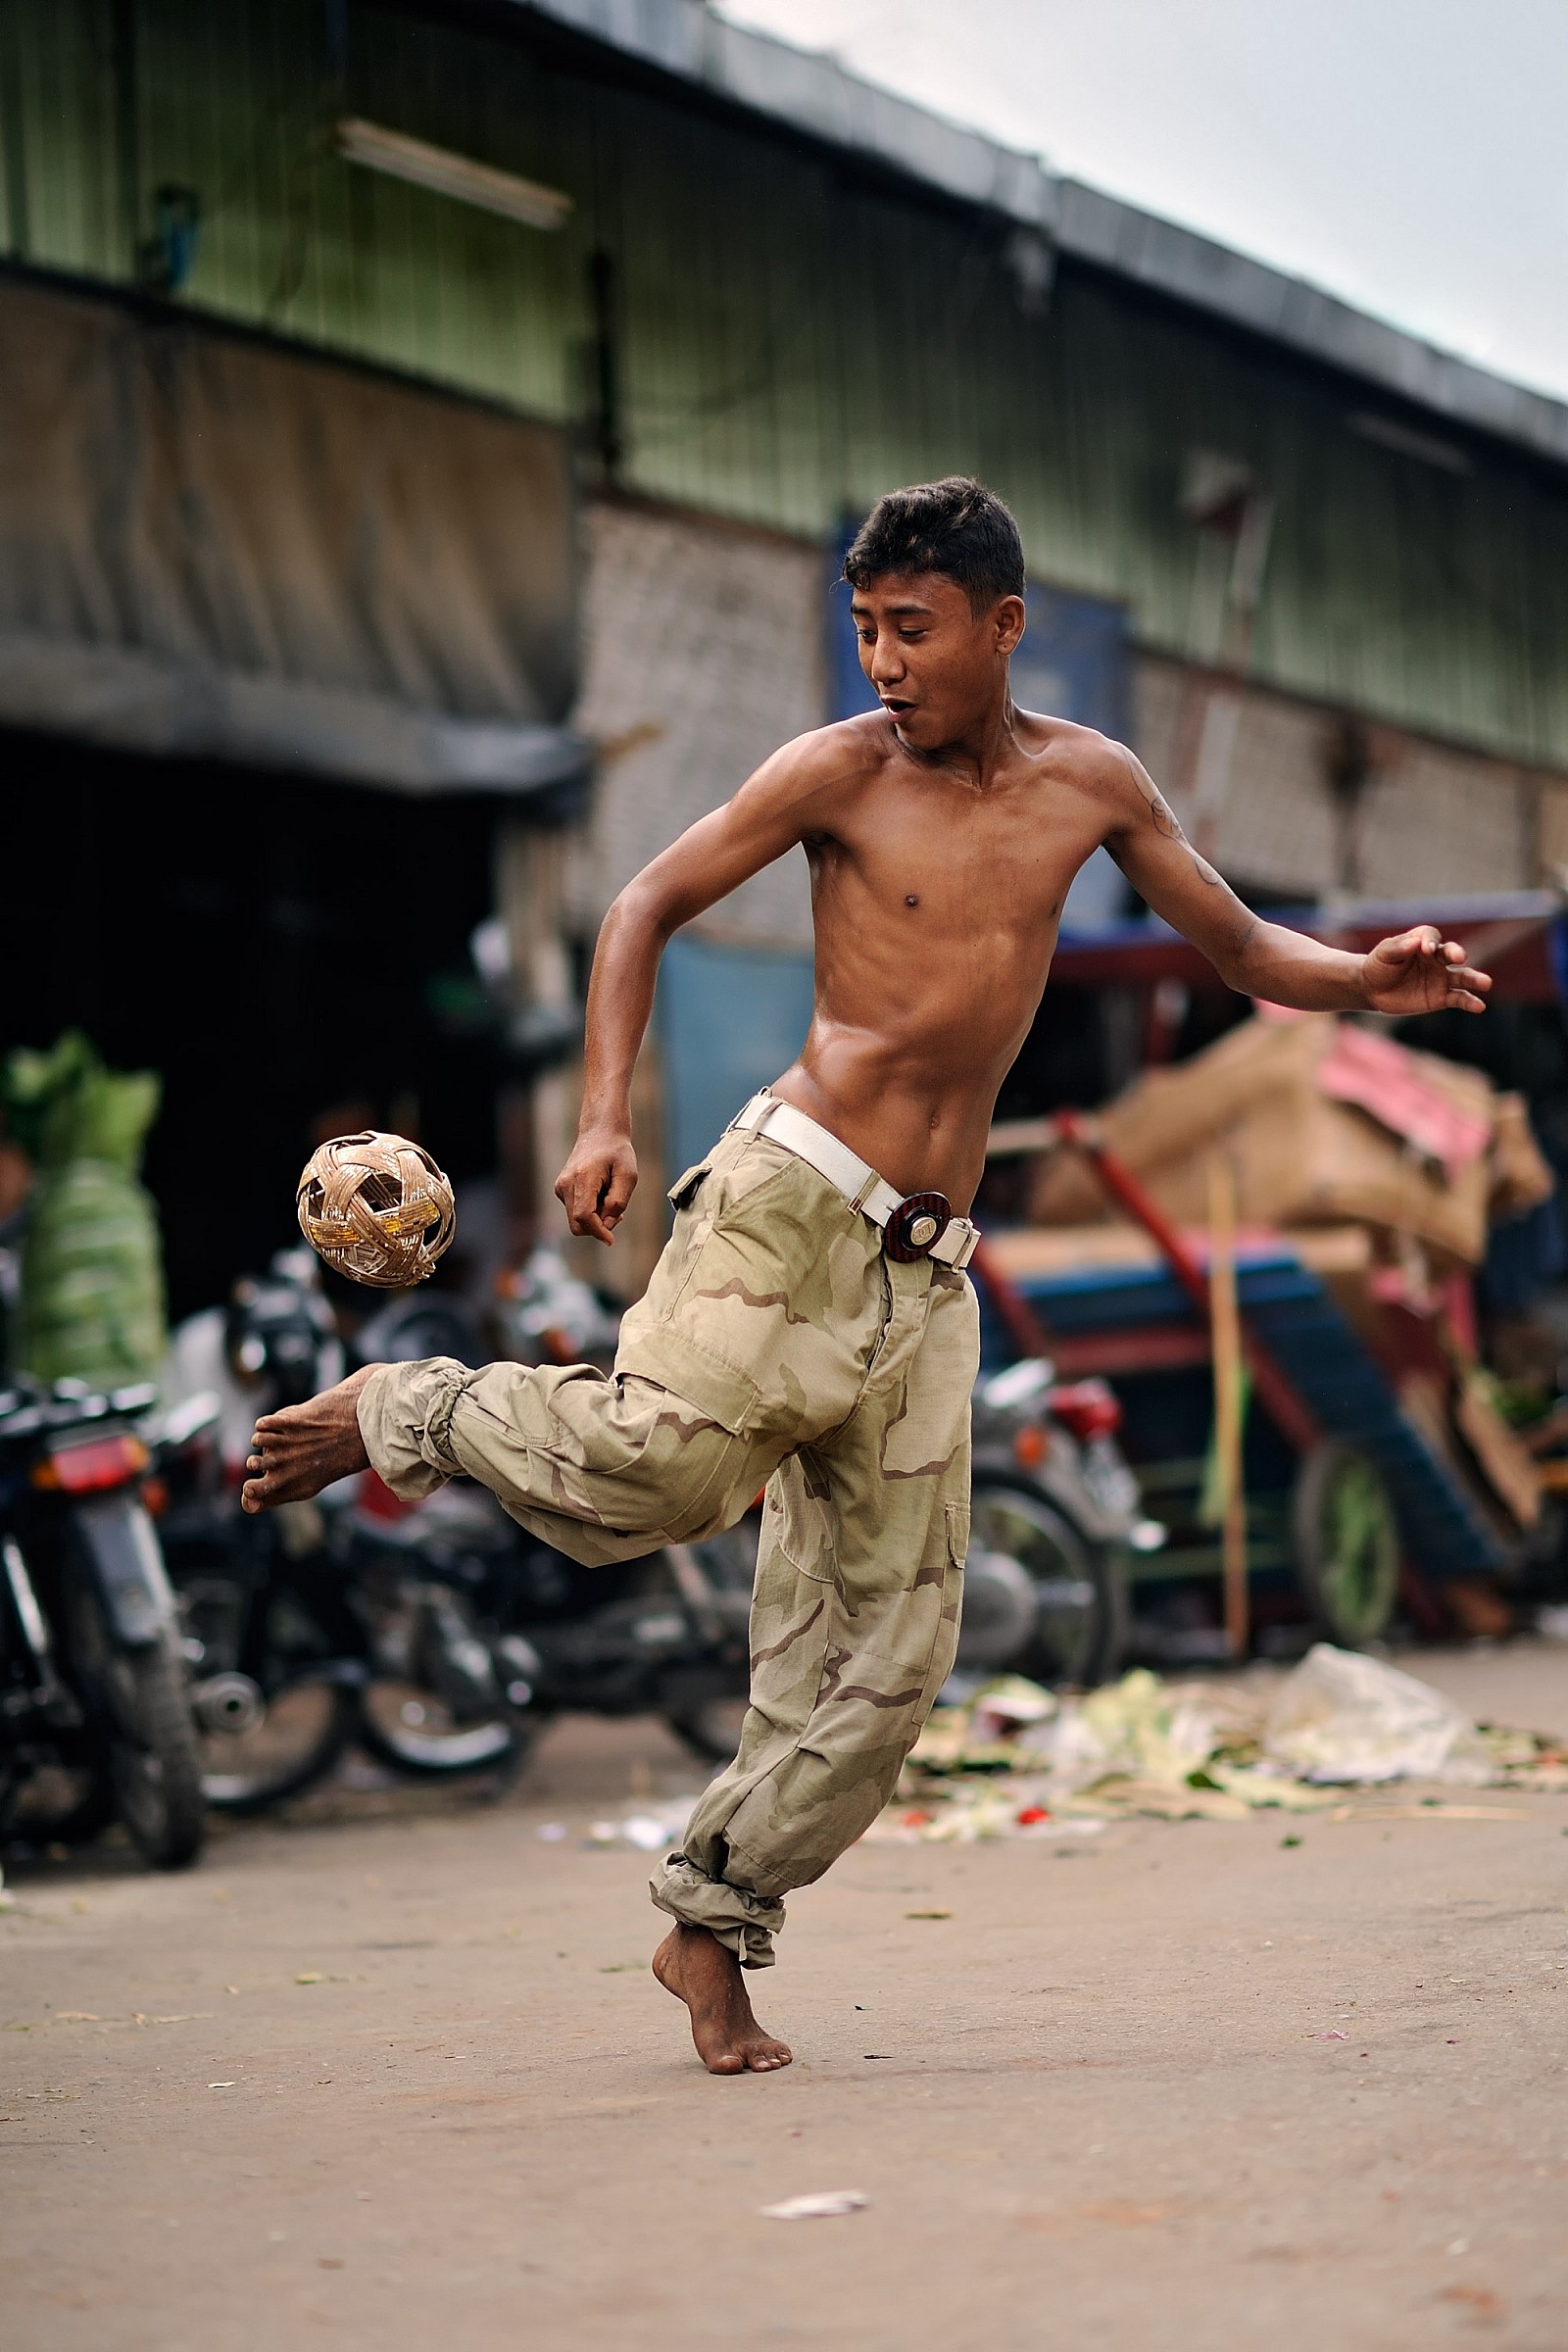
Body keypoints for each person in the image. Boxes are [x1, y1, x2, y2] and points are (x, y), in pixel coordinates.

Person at [241, 476, 1491, 2074]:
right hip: (790, 1207)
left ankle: (713, 1920)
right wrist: (606, 1113)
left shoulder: (1092, 785)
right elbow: (643, 901)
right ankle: (404, 1407)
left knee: (889, 1661)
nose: (884, 664)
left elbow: (1244, 950)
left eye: (912, 629)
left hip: (925, 1277)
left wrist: (1366, 979)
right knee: (667, 1477)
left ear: (1003, 627)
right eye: (865, 631)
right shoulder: (836, 772)